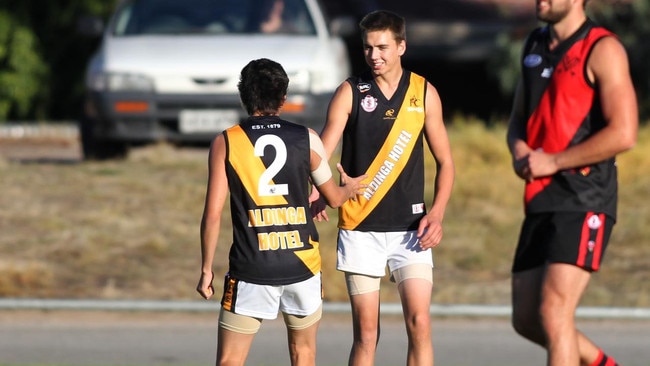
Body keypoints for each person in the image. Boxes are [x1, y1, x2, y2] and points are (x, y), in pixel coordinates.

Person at [196, 58, 367, 366]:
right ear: (284, 98)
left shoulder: (226, 142)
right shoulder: (309, 139)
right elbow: (334, 198)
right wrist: (350, 188)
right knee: (303, 355)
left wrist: (206, 268)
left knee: (230, 360)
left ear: (243, 94)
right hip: (301, 264)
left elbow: (212, 215)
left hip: (252, 267)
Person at [311, 10, 455, 366]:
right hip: (361, 229)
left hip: (411, 232)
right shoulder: (350, 92)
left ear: (401, 46)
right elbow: (321, 155)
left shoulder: (424, 93)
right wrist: (318, 191)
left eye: (382, 47)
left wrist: (436, 215)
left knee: (420, 324)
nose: (374, 56)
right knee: (367, 334)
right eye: (367, 48)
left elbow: (446, 163)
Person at [506, 0, 638, 365]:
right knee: (527, 318)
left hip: (585, 199)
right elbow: (518, 119)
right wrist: (519, 150)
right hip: (539, 198)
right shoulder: (534, 44)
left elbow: (624, 134)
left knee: (553, 313)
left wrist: (554, 161)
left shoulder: (602, 48)